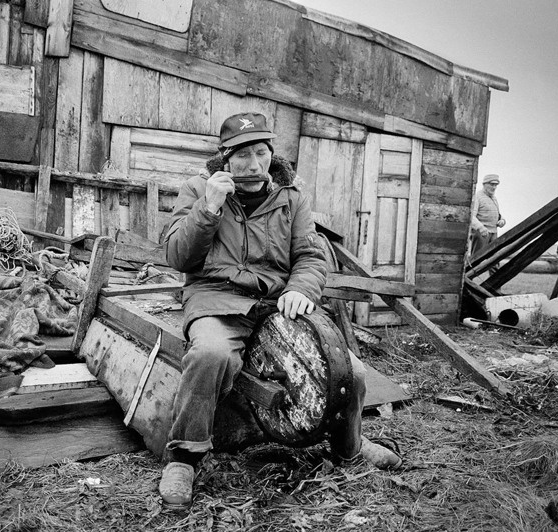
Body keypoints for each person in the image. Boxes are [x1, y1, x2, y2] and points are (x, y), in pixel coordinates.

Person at [159, 112, 400, 509]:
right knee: (209, 355)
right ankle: (184, 457)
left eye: (261, 153)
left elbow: (309, 255)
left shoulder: (292, 197)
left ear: (271, 154)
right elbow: (178, 256)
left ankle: (350, 447)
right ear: (224, 157)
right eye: (242, 156)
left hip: (275, 304)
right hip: (217, 300)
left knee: (350, 370)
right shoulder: (198, 189)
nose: (253, 165)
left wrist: (301, 288)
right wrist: (209, 208)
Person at [469, 174, 506, 261]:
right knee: (477, 259)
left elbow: (498, 214)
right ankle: (471, 275)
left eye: (496, 185)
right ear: (484, 184)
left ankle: (497, 275)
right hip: (482, 233)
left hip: (493, 232)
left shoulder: (494, 198)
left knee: (495, 258)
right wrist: (481, 228)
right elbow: (471, 216)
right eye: (491, 184)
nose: (494, 187)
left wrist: (502, 221)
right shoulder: (477, 197)